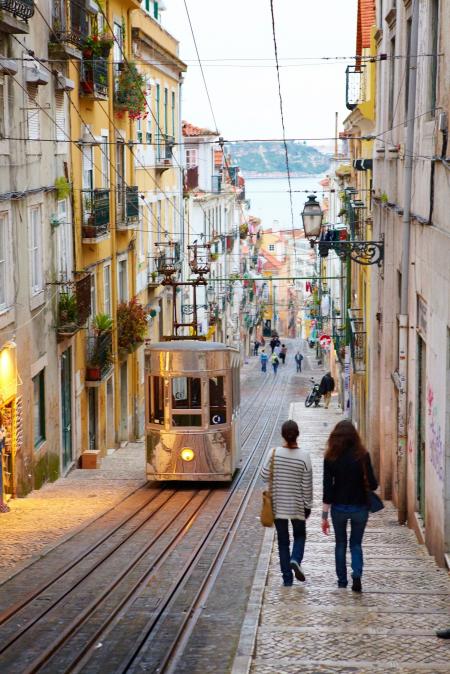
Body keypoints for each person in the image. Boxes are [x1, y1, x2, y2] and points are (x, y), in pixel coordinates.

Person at [321, 420, 378, 592]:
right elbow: (374, 485)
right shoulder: (363, 455)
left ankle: (342, 581)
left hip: (338, 508)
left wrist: (324, 516)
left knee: (340, 544)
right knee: (356, 544)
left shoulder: (330, 457)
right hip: (360, 507)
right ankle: (357, 574)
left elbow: (327, 488)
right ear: (355, 437)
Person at [261, 420, 313, 586]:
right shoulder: (304, 456)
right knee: (300, 536)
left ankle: (287, 579)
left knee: (283, 542)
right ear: (297, 434)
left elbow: (263, 475)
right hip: (297, 506)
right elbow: (307, 485)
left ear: (283, 435)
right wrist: (308, 506)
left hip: (277, 506)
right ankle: (296, 559)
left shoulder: (274, 453)